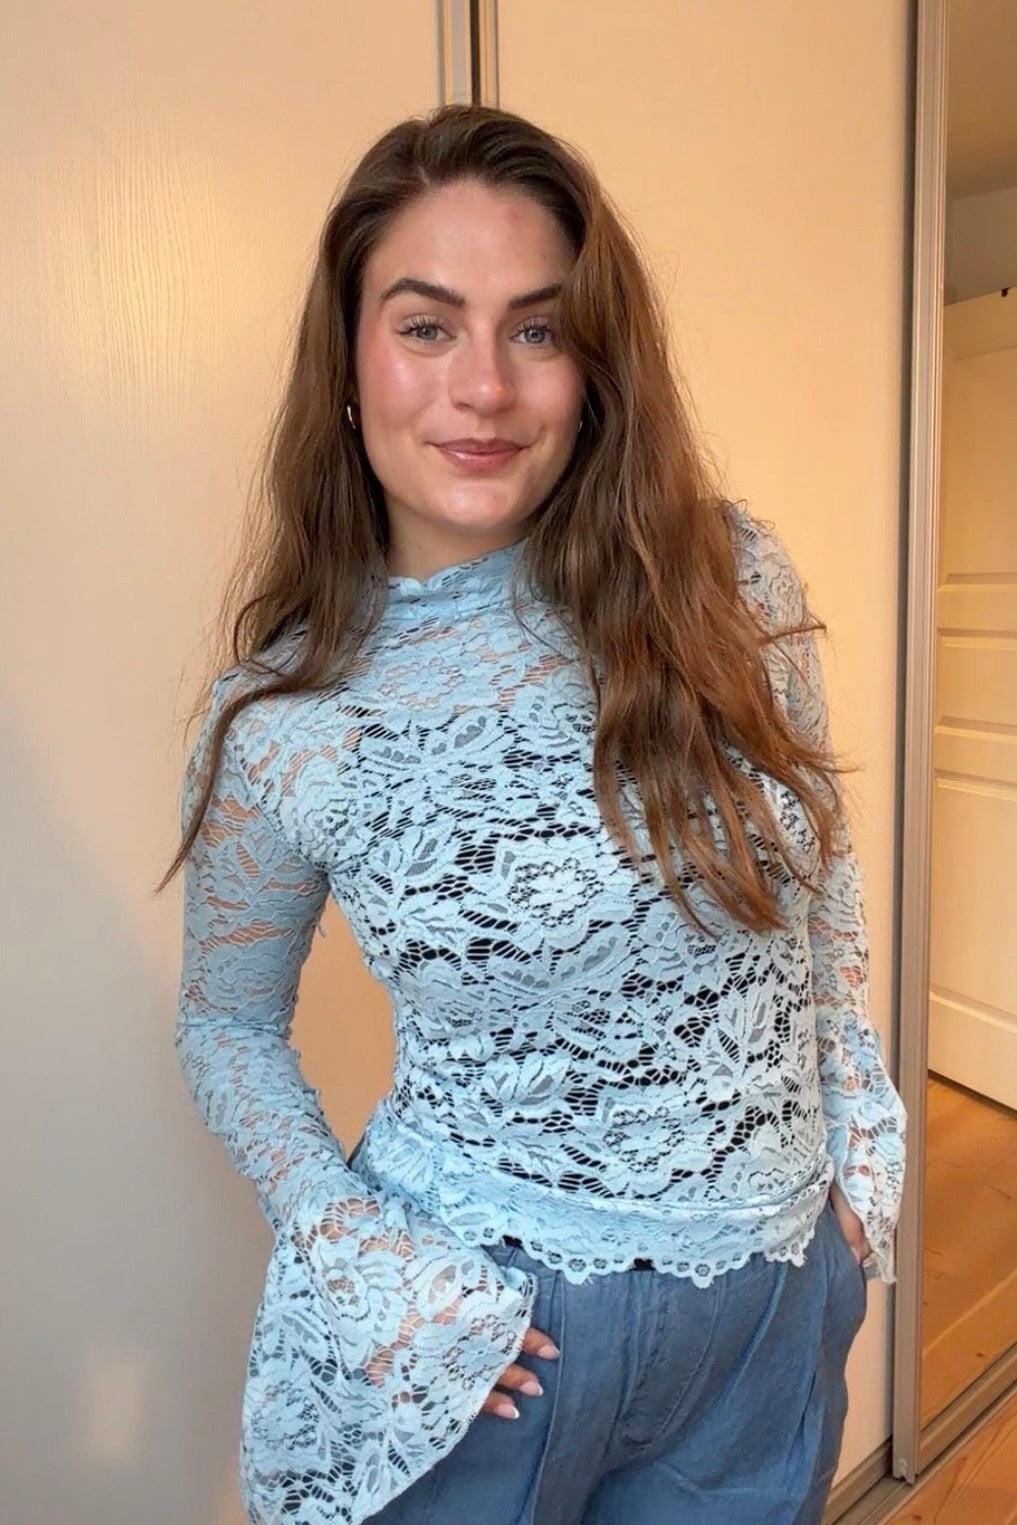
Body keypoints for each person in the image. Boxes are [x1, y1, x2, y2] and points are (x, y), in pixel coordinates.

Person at [159, 102, 907, 1525]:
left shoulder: (729, 576)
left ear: (594, 362)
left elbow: (815, 873)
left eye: (539, 329)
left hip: (767, 1316)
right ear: (348, 360)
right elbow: (224, 1024)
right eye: (426, 326)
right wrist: (363, 1259)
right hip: (489, 1334)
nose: (485, 387)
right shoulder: (285, 717)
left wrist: (860, 1144)